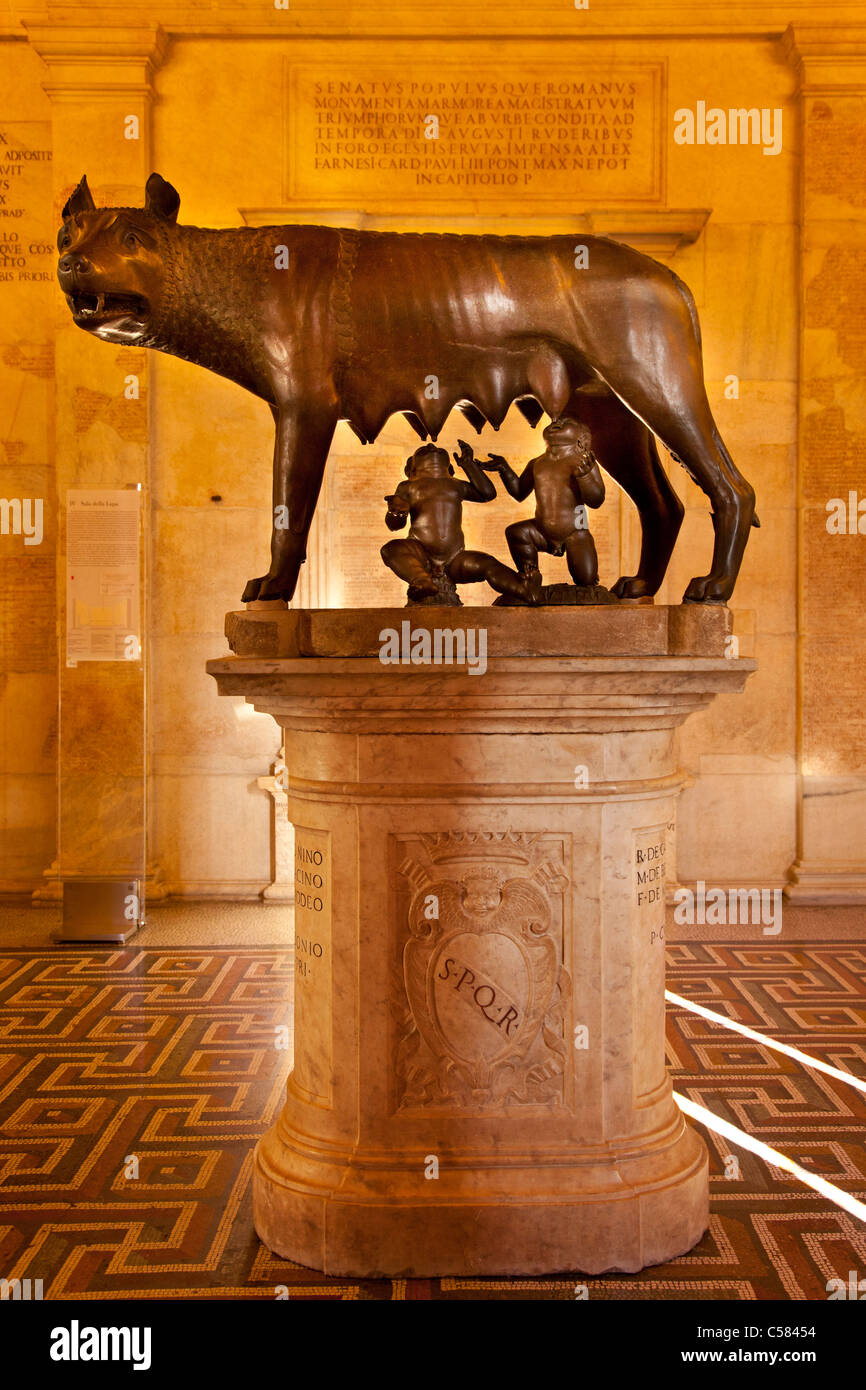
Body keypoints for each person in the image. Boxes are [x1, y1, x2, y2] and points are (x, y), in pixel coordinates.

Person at [381, 440, 534, 604]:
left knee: (487, 563)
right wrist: (397, 512)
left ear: (450, 470)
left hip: (455, 558)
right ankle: (421, 579)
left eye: (435, 448)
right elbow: (394, 526)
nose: (432, 446)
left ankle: (523, 590)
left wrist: (468, 465)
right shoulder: (408, 486)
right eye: (423, 450)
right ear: (412, 470)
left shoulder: (456, 485)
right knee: (391, 549)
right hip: (420, 552)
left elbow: (487, 494)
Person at [479, 417, 605, 589]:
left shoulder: (583, 462)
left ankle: (588, 574)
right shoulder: (537, 463)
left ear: (581, 438)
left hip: (575, 531)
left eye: (568, 422)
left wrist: (585, 477)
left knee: (586, 581)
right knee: (516, 533)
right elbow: (519, 492)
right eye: (555, 421)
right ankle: (530, 579)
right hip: (541, 531)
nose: (557, 422)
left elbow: (596, 500)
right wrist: (504, 469)